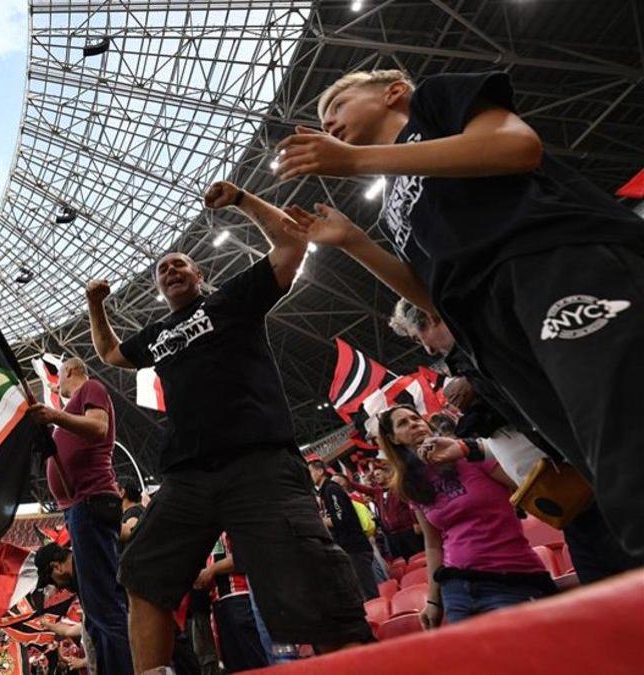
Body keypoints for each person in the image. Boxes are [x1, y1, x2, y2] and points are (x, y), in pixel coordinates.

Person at [278, 68, 644, 557]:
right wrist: (353, 241)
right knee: (593, 460)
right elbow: (431, 294)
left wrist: (357, 160)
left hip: (549, 261)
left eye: (336, 109)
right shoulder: (392, 202)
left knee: (627, 438)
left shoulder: (433, 104)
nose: (329, 126)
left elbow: (517, 147)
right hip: (489, 329)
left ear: (391, 92)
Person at [86, 180, 371, 673]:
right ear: (159, 289)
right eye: (162, 269)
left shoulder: (231, 301)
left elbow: (290, 244)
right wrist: (96, 305)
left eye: (179, 262)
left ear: (200, 273)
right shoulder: (156, 335)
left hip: (259, 464)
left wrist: (242, 198)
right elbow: (111, 353)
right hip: (186, 477)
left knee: (316, 595)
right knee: (141, 575)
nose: (170, 269)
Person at [388, 298, 644, 583]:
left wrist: (478, 379)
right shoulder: (469, 367)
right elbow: (512, 436)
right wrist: (465, 446)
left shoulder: (495, 345)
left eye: (419, 337)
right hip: (570, 505)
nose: (427, 349)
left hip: (598, 485)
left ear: (430, 317)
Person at [376, 405, 556, 626]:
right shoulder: (412, 484)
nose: (414, 423)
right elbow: (432, 544)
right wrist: (434, 601)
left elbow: (527, 486)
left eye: (416, 418)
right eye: (403, 423)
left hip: (511, 577)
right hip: (456, 590)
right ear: (394, 439)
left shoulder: (468, 455)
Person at [28, 359, 132, 675]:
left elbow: (99, 428)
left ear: (71, 371)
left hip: (89, 502)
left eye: (59, 378)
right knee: (98, 607)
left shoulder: (90, 387)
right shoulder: (71, 412)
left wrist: (55, 415)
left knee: (103, 607)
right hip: (80, 507)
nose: (56, 386)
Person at [194, 535, 268, 671]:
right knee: (234, 664)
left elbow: (243, 555)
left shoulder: (232, 522)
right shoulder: (208, 530)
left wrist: (211, 570)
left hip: (240, 596)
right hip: (217, 602)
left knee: (254, 662)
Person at [309, 460, 379, 600]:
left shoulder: (331, 489)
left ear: (320, 471)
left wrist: (318, 521)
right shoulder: (324, 493)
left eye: (309, 472)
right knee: (361, 592)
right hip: (347, 548)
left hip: (355, 547)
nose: (307, 476)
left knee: (368, 592)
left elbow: (340, 518)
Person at [350, 461, 423, 562]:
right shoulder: (377, 492)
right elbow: (361, 488)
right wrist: (365, 477)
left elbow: (411, 506)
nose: (376, 477)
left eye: (378, 474)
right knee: (406, 563)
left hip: (408, 530)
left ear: (387, 474)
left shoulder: (398, 487)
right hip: (393, 536)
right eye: (374, 476)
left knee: (420, 558)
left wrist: (416, 522)